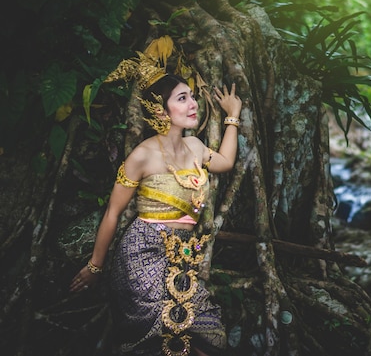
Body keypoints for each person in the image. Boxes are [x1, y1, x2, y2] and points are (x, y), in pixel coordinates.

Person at [70, 60, 242, 356]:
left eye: (191, 95)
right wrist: (95, 266)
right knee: (168, 338)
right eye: (182, 98)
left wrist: (233, 116)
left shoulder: (196, 148)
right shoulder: (142, 155)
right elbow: (112, 212)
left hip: (182, 255)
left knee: (205, 334)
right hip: (143, 254)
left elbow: (225, 163)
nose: (193, 103)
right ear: (161, 111)